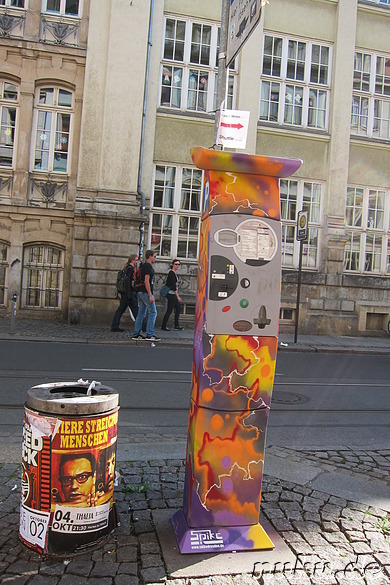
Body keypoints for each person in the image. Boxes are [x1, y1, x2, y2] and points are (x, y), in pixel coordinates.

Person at [132, 250, 160, 342]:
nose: (155, 258)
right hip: (145, 292)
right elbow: (146, 280)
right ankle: (149, 334)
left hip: (140, 291)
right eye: (154, 256)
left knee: (141, 313)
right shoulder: (148, 266)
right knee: (153, 312)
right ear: (150, 256)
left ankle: (136, 334)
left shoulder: (143, 265)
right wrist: (150, 295)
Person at [111, 254, 138, 332]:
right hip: (128, 293)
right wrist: (129, 294)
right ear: (132, 260)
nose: (137, 261)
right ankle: (142, 326)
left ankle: (114, 326)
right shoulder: (130, 269)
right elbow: (127, 282)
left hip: (126, 293)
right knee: (135, 310)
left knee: (121, 309)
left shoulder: (126, 268)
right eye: (136, 260)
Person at [161, 259, 183, 331]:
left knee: (178, 308)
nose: (177, 266)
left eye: (178, 264)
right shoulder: (171, 273)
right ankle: (164, 326)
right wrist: (178, 296)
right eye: (176, 264)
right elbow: (173, 287)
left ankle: (176, 325)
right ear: (173, 265)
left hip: (173, 294)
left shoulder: (174, 273)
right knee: (169, 310)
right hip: (171, 294)